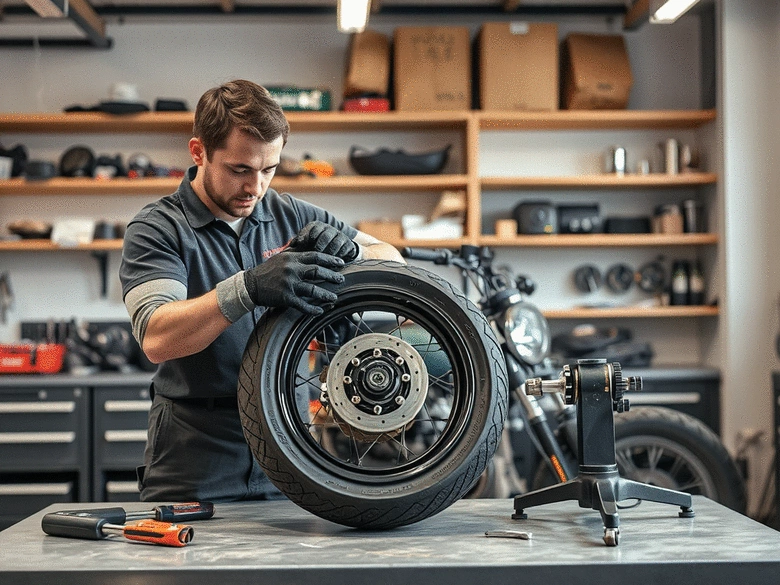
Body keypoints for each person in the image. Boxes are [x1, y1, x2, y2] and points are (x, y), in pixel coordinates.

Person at [120, 79, 403, 502]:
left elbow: (394, 262)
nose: (255, 187)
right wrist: (249, 288)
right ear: (198, 152)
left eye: (268, 169)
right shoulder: (158, 229)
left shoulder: (290, 213)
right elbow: (157, 337)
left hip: (291, 445)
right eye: (240, 169)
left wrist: (354, 254)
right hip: (197, 455)